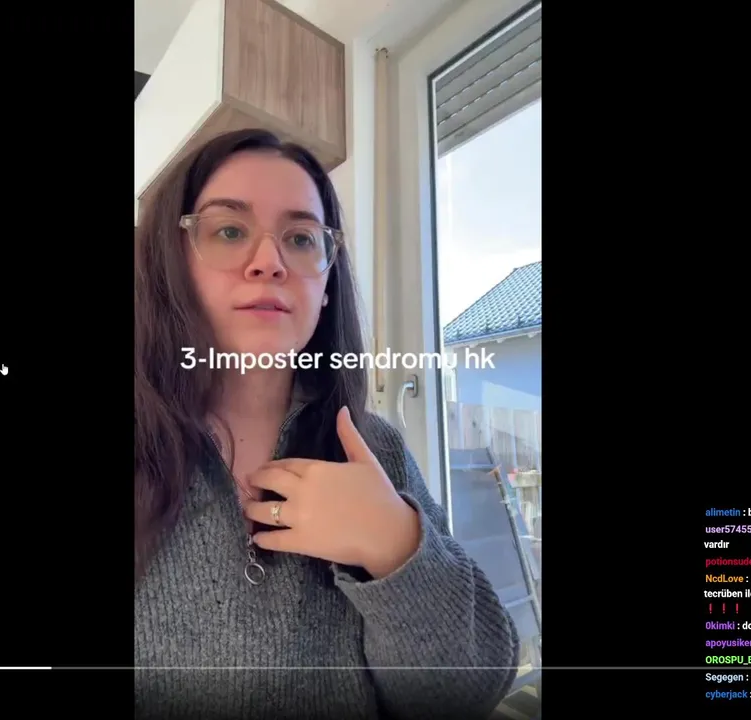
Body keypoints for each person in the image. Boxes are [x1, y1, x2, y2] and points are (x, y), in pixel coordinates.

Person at [134, 128, 520, 719]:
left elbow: (467, 692)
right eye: (229, 231)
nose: (269, 263)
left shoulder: (373, 448)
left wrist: (397, 548)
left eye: (300, 238)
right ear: (172, 261)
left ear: (326, 283)